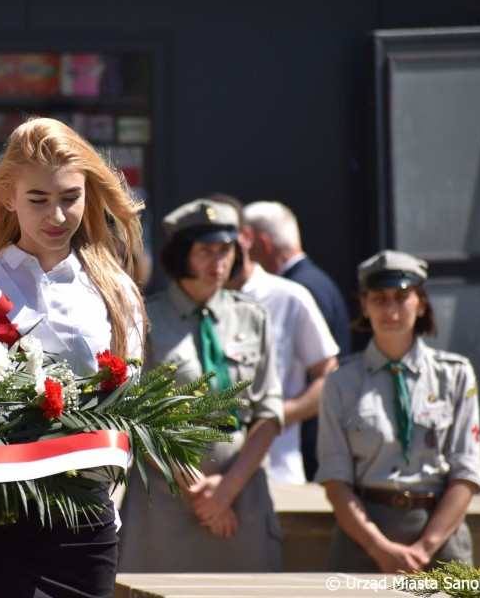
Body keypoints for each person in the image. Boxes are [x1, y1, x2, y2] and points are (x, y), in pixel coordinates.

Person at [0, 117, 146, 597]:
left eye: (70, 197)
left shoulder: (116, 292)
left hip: (87, 517)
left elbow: (129, 413)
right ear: (8, 197)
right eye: (39, 200)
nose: (57, 215)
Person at [118, 197, 284, 573]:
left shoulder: (252, 317)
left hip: (242, 491)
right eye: (206, 251)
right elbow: (132, 415)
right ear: (180, 254)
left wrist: (226, 491)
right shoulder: (146, 319)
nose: (219, 261)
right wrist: (197, 489)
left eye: (226, 250)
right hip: (168, 492)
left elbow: (270, 412)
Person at [316, 249, 480, 573]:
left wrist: (425, 548)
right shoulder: (341, 382)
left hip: (440, 536)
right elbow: (335, 480)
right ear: (364, 305)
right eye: (379, 298)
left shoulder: (455, 374)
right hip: (363, 537)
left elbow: (466, 471)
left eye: (401, 297)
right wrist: (378, 548)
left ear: (420, 303)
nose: (390, 309)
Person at [215, 194, 338, 485]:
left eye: (223, 243)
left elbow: (329, 377)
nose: (217, 255)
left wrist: (272, 419)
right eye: (204, 246)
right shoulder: (190, 305)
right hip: (205, 476)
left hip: (277, 473)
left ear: (246, 237)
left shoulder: (290, 296)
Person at [243, 200, 352, 480]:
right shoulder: (316, 281)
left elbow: (327, 374)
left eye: (244, 243)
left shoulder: (297, 292)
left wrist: (269, 418)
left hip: (302, 449)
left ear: (262, 243)